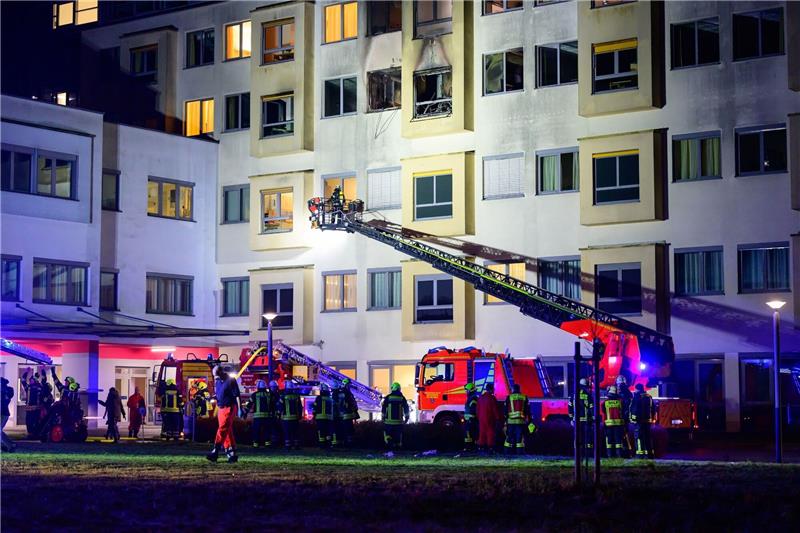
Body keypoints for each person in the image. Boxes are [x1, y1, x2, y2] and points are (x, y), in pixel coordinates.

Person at [207, 365, 241, 463]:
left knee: (222, 429)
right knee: (227, 431)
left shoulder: (231, 380)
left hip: (229, 407)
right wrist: (212, 398)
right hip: (221, 408)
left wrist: (240, 409)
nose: (215, 378)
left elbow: (237, 395)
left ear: (221, 372)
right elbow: (219, 394)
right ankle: (231, 454)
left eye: (216, 375)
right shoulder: (218, 381)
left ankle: (215, 450)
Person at [381, 382, 409, 451]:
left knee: (387, 434)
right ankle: (398, 448)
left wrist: (383, 417)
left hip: (389, 422)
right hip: (398, 422)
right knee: (398, 436)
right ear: (399, 389)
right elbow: (406, 408)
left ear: (393, 388)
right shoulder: (402, 398)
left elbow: (384, 408)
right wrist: (407, 417)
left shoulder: (388, 397)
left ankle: (389, 443)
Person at [569, 378, 594, 455]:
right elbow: (591, 408)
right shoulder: (588, 395)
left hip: (576, 420)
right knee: (587, 437)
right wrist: (592, 419)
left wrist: (571, 418)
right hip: (586, 420)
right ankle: (588, 453)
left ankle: (577, 453)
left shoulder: (573, 395)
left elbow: (570, 407)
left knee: (577, 437)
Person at [630, 383, 656, 459]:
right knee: (648, 437)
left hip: (639, 421)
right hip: (648, 421)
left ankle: (640, 454)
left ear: (637, 389)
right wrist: (653, 419)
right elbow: (653, 409)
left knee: (639, 437)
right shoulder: (649, 397)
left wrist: (633, 418)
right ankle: (650, 454)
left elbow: (634, 408)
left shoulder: (637, 397)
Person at [504, 384, 530, 455]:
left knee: (509, 438)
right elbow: (527, 410)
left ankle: (507, 452)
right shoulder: (524, 397)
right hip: (520, 422)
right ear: (519, 389)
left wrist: (505, 421)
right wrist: (529, 420)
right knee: (519, 439)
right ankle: (519, 453)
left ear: (513, 389)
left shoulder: (509, 397)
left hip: (510, 421)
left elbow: (505, 410)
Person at [332, 378, 359, 447]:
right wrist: (355, 411)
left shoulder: (341, 392)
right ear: (346, 384)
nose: (349, 386)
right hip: (347, 414)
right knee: (349, 430)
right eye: (348, 384)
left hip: (343, 415)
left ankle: (344, 443)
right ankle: (348, 444)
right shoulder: (346, 392)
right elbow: (351, 403)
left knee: (345, 429)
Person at [244, 380, 271, 447]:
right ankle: (267, 444)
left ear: (258, 387)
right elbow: (273, 405)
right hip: (267, 416)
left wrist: (245, 412)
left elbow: (249, 405)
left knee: (256, 430)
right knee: (267, 430)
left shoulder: (254, 395)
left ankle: (256, 444)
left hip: (257, 417)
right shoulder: (269, 395)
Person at [476, 383, 501, 455]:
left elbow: (477, 409)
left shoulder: (480, 398)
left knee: (482, 432)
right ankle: (490, 448)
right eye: (493, 389)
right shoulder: (492, 398)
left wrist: (478, 417)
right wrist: (498, 418)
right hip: (490, 418)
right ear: (491, 389)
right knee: (490, 433)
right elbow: (495, 409)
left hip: (481, 418)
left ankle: (481, 448)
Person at [278, 381, 301, 450]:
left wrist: (278, 415)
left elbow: (280, 407)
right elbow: (300, 407)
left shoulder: (283, 397)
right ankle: (296, 446)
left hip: (286, 419)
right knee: (295, 433)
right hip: (295, 418)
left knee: (287, 433)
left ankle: (288, 446)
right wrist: (299, 415)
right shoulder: (296, 396)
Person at [602, 385, 624, 458]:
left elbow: (603, 413)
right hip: (619, 425)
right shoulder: (620, 402)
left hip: (608, 425)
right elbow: (623, 413)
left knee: (609, 441)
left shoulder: (605, 403)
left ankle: (610, 455)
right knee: (618, 441)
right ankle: (619, 455)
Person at [312, 383, 334, 448]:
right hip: (329, 418)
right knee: (328, 431)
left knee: (321, 431)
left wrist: (314, 415)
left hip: (320, 417)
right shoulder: (329, 398)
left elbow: (315, 407)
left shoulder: (318, 398)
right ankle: (329, 444)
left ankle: (322, 445)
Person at [617, 375, 633, 457]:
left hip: (621, 417)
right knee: (625, 434)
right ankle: (628, 451)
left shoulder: (619, 394)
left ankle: (624, 452)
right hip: (626, 417)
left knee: (621, 435)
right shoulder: (629, 393)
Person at [462, 382, 479, 451]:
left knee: (470, 434)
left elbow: (473, 409)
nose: (466, 392)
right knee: (468, 434)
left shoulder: (473, 398)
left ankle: (470, 448)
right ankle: (469, 447)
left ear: (470, 390)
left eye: (467, 390)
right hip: (469, 419)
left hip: (471, 419)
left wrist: (471, 418)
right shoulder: (471, 398)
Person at [1, 377, 16, 452]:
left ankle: (9, 445)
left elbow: (8, 396)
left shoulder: (6, 391)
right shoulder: (5, 391)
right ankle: (8, 444)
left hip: (4, 414)